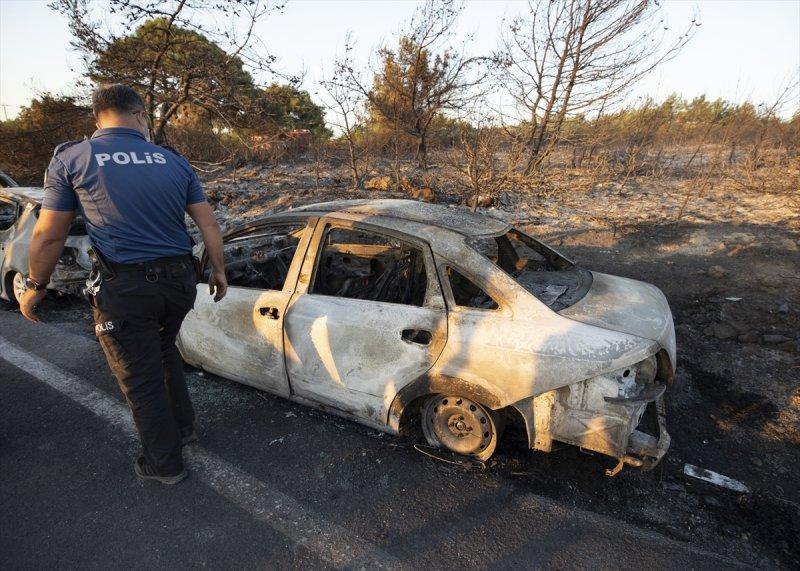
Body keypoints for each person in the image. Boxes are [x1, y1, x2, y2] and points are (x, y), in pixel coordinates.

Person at [19, 83, 228, 485]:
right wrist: (218, 270)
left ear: (98, 118)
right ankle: (184, 429)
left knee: (139, 373)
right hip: (180, 281)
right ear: (140, 115)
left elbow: (48, 235)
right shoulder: (172, 160)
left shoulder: (72, 157)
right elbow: (209, 224)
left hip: (127, 288)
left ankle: (164, 465)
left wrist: (35, 285)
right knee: (163, 350)